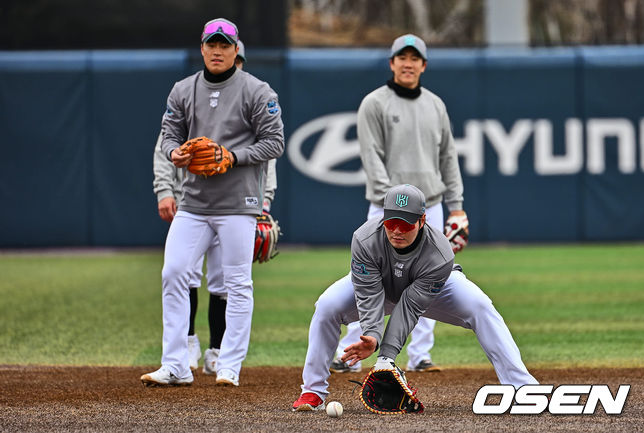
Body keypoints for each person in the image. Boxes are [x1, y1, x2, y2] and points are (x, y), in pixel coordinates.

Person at [292, 184, 537, 411]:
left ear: (422, 220)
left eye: (406, 224)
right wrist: (372, 337)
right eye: (392, 222)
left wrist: (385, 357)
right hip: (381, 285)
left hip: (434, 286)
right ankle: (313, 391)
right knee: (326, 305)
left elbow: (409, 307)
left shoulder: (440, 253)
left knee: (480, 306)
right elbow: (369, 295)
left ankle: (522, 387)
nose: (397, 231)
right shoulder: (364, 239)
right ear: (383, 218)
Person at [141, 17, 284, 387]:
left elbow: (275, 143)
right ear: (202, 48)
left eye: (224, 44)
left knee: (237, 283)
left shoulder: (257, 90)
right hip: (193, 202)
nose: (217, 50)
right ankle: (175, 364)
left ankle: (228, 366)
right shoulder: (183, 90)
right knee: (173, 273)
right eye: (211, 44)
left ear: (236, 49)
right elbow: (169, 134)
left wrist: (232, 156)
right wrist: (175, 152)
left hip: (238, 203)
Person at [331, 33, 467, 374]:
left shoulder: (435, 104)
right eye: (401, 58)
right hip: (387, 208)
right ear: (392, 63)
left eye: (414, 58)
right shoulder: (375, 102)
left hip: (431, 205)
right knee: (369, 280)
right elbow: (371, 156)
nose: (408, 63)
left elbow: (448, 156)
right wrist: (393, 203)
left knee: (427, 279)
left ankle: (420, 356)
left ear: (423, 65)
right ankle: (353, 351)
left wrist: (458, 205)